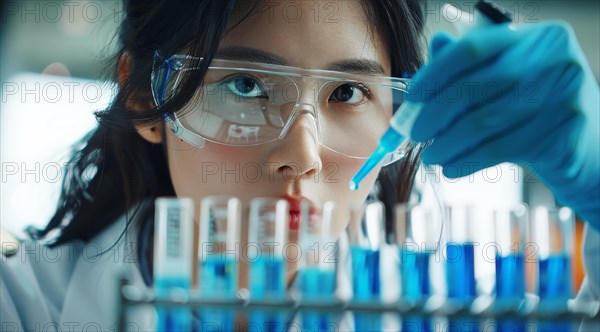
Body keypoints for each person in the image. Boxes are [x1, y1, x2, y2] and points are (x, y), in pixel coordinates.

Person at [1, 0, 598, 331]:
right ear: (144, 98)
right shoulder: (25, 308)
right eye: (245, 84)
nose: (303, 158)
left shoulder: (455, 315)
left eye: (347, 94)